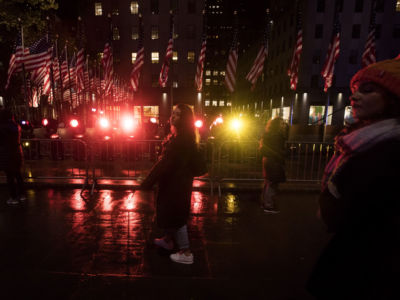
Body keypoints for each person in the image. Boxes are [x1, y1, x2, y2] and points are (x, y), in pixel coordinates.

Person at [307, 56, 400, 299]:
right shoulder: (361, 144)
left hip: (370, 270)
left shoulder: (386, 152)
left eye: (367, 90)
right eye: (356, 90)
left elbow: (336, 215)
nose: (355, 96)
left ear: (392, 99)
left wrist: (332, 194)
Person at [140, 103, 205, 265]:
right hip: (177, 183)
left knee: (177, 217)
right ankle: (168, 241)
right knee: (171, 213)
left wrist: (147, 182)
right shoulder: (183, 137)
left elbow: (164, 164)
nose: (173, 116)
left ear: (184, 119)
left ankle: (186, 252)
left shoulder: (181, 140)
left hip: (176, 185)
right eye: (173, 113)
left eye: (177, 114)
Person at [259, 117, 287, 213]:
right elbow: (279, 150)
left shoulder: (267, 134)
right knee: (272, 183)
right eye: (282, 124)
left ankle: (265, 203)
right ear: (277, 125)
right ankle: (268, 205)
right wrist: (283, 154)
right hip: (273, 161)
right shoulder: (278, 136)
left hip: (267, 160)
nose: (284, 125)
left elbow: (263, 149)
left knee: (268, 182)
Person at [0, 109, 26, 205]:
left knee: (10, 176)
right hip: (17, 152)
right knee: (18, 174)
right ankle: (22, 195)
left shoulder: (2, 127)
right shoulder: (16, 126)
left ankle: (13, 197)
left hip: (7, 153)